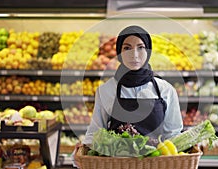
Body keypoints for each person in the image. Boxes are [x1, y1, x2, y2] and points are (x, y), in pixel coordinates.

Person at [72, 25, 183, 166]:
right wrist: (79, 155)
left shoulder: (165, 90)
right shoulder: (106, 90)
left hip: (156, 164)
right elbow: (95, 133)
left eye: (141, 47)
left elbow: (172, 135)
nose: (134, 54)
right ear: (119, 52)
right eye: (127, 48)